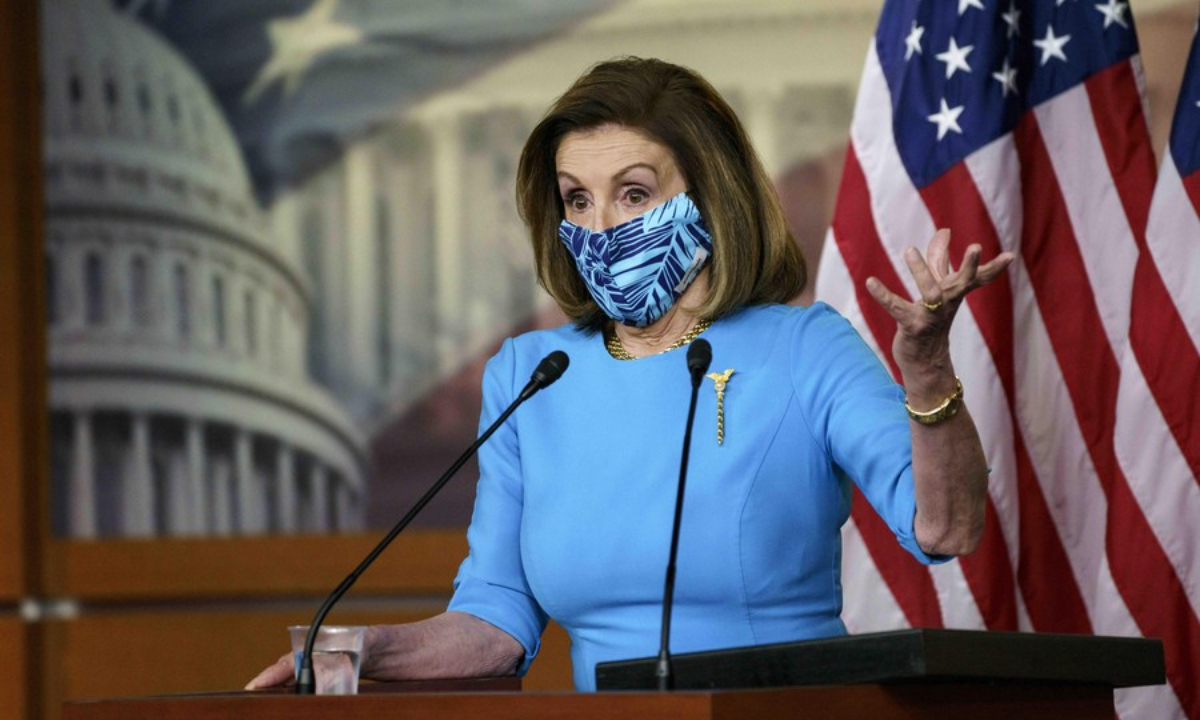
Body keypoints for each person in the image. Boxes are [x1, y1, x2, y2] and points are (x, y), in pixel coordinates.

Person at [248, 56, 1013, 692]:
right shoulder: (532, 374)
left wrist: (927, 374)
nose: (601, 227)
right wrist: (367, 647)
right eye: (577, 199)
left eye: (634, 193)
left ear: (709, 195)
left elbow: (946, 527)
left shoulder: (804, 348)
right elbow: (496, 623)